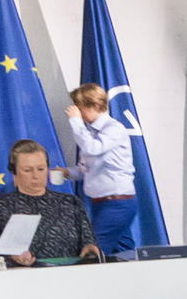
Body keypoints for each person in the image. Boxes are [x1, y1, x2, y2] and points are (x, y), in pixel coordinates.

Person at [0, 141, 102, 266]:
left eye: (41, 169)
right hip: (20, 281)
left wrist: (90, 249)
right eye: (27, 170)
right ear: (14, 172)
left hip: (68, 278)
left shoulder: (70, 203)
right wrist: (11, 258)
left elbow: (88, 241)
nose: (36, 175)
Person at [60, 82, 151, 255]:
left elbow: (92, 149)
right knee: (123, 254)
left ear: (95, 105)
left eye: (80, 107)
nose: (77, 112)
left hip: (116, 203)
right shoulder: (91, 133)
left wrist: (75, 122)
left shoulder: (114, 129)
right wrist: (67, 173)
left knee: (94, 252)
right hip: (102, 203)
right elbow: (86, 168)